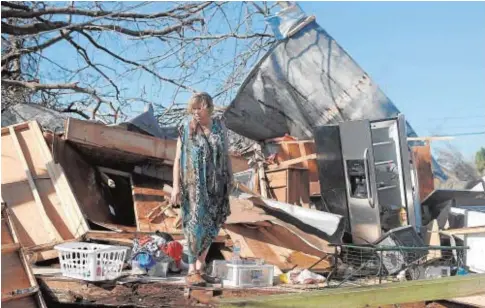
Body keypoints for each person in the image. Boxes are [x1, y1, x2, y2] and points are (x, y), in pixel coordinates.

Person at [170, 92, 233, 286]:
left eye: (200, 107)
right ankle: (191, 270)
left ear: (208, 107)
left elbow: (226, 154)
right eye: (193, 108)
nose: (196, 112)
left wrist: (230, 176)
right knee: (194, 225)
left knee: (212, 224)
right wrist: (175, 187)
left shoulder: (219, 127)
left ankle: (200, 267)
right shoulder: (186, 129)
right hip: (193, 186)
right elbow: (178, 159)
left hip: (216, 184)